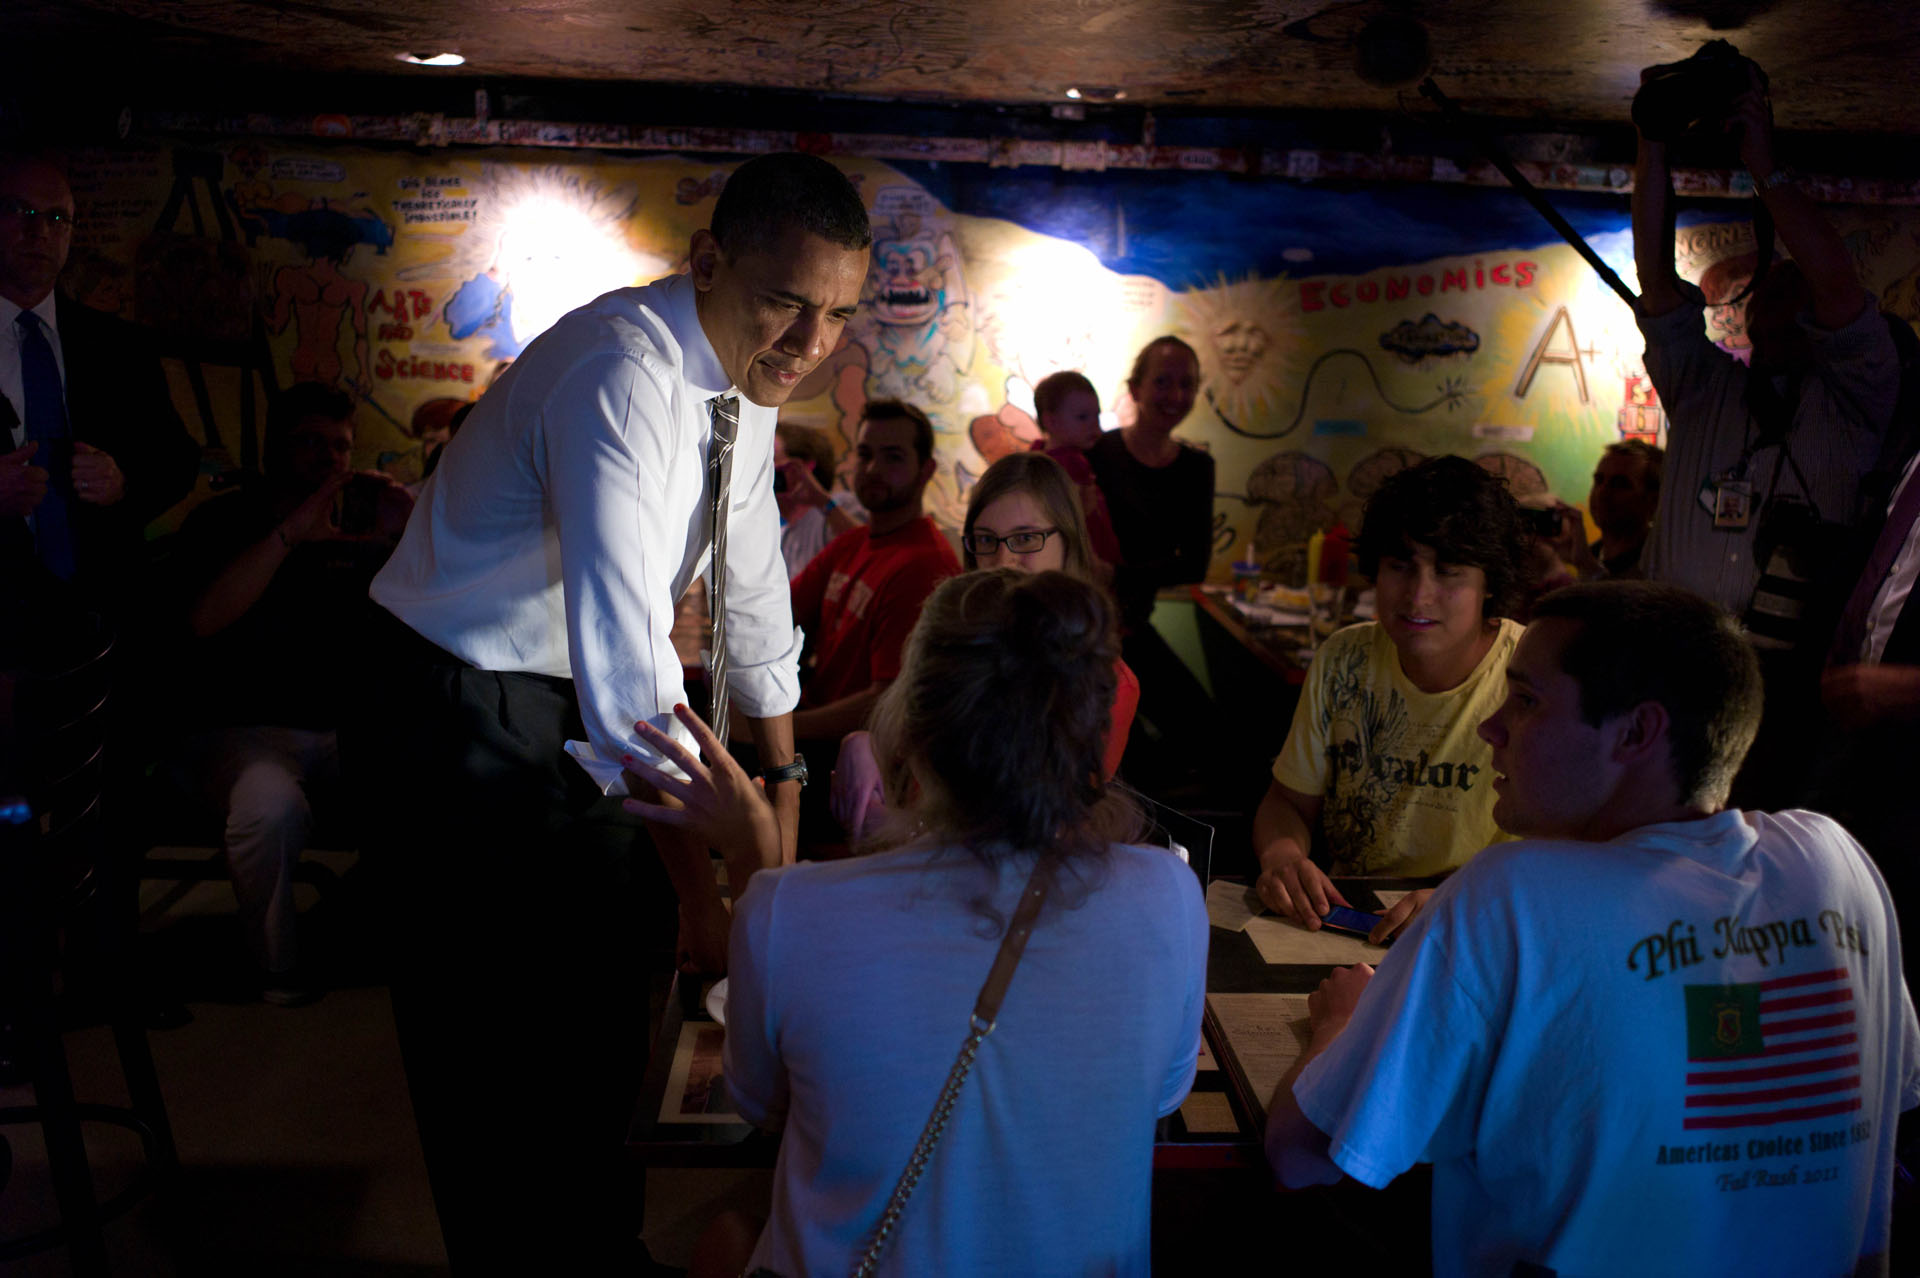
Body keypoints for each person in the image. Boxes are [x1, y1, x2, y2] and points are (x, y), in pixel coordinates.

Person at [347, 152, 870, 1269]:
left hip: (560, 705)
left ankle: (596, 1244)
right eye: (788, 300)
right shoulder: (622, 370)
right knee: (498, 1046)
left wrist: (783, 788)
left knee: (602, 1006)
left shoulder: (747, 377)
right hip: (459, 709)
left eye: (838, 314)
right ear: (709, 260)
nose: (812, 342)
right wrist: (715, 900)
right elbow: (633, 679)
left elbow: (748, 586)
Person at [1268, 581, 1920, 1278]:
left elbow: (1299, 1154)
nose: (1491, 728)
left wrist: (1341, 1023)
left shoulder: (1509, 894)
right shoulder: (1835, 863)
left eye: (1526, 700)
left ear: (1637, 733)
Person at [627, 569, 1207, 1277]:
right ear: (1089, 737)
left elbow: (764, 1101)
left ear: (911, 730)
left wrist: (751, 854)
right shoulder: (1171, 896)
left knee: (726, 1239)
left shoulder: (791, 911)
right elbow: (1160, 1097)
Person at [168, 383, 411, 1002]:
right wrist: (289, 535)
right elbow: (202, 620)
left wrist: (407, 540)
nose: (327, 459)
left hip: (342, 729)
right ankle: (276, 965)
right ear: (274, 447)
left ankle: (402, 945)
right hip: (236, 731)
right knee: (267, 807)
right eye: (309, 443)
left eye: (340, 447)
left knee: (447, 771)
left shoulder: (357, 524)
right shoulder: (224, 521)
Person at [1252, 455, 1531, 941]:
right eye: (1400, 566)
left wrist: (1464, 899)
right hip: (1350, 921)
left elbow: (1565, 853)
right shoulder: (1344, 659)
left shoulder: (1531, 674)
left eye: (1449, 572)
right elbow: (1287, 803)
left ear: (1489, 584)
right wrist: (1284, 857)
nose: (1418, 595)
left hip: (1481, 924)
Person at [829, 450, 1141, 839]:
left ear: (1070, 543)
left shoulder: (1104, 681)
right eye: (986, 540)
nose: (1003, 560)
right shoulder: (955, 641)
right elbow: (904, 745)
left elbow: (1027, 840)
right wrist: (864, 742)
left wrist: (891, 827)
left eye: (1026, 538)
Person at [1, 148, 196, 601]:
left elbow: (177, 460)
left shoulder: (119, 346)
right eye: (19, 211)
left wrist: (123, 482)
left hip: (103, 607)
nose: (38, 232)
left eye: (56, 219)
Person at [787, 398, 960, 745]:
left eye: (893, 457)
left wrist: (784, 731)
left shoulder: (926, 566)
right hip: (813, 725)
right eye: (865, 455)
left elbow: (890, 700)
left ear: (925, 470)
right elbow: (780, 612)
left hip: (855, 760)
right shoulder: (854, 542)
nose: (872, 469)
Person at [1089, 336, 1218, 782]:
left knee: (1203, 736)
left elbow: (1194, 566)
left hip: (1133, 627)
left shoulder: (1196, 467)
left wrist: (1117, 575)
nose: (1176, 396)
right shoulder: (1098, 454)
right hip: (1085, 634)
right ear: (1136, 387)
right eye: (1163, 381)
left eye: (1187, 384)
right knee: (1120, 759)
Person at [1031, 369, 1123, 577]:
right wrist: (1093, 560)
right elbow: (1078, 516)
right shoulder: (1072, 462)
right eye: (1082, 417)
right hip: (1085, 553)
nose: (1094, 425)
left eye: (1096, 415)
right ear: (1051, 421)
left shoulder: (1036, 455)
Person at [772, 419, 855, 576]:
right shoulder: (776, 529)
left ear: (804, 469)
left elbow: (864, 548)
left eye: (773, 461)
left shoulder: (840, 507)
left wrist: (823, 502)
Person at [1582, 439, 1664, 578]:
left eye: (1619, 484)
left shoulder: (1657, 569)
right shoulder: (1589, 554)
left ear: (1653, 502)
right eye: (1599, 480)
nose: (1602, 492)